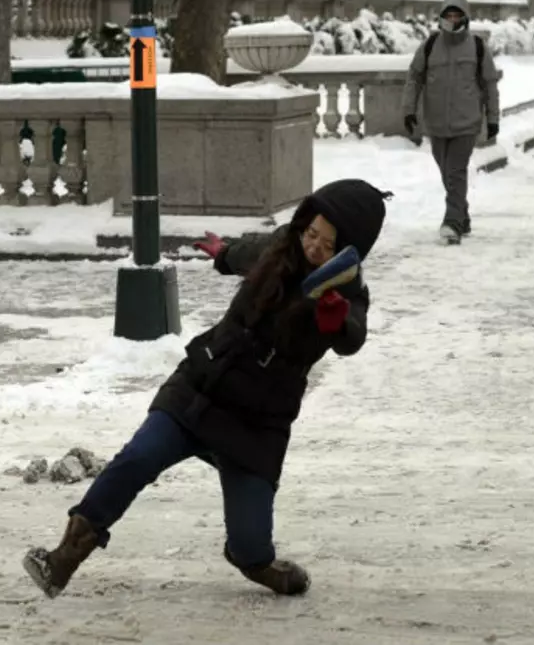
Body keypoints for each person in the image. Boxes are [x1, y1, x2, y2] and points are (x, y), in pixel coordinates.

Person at [21, 179, 390, 598]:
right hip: (203, 387)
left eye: (327, 244)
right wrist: (224, 254)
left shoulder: (348, 292)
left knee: (251, 541)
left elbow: (352, 337)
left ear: (349, 250)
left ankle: (253, 560)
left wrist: (336, 320)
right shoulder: (280, 247)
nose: (313, 247)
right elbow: (245, 254)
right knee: (137, 458)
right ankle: (63, 558)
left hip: (257, 423)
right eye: (311, 233)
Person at [401, 0, 500, 245]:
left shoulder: (477, 47)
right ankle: (462, 215)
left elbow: (490, 85)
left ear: (465, 16)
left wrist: (492, 119)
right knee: (447, 173)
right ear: (442, 17)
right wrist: (408, 110)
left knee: (455, 172)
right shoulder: (430, 45)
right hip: (436, 123)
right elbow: (414, 77)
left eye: (457, 15)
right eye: (448, 15)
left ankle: (452, 223)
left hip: (466, 123)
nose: (452, 19)